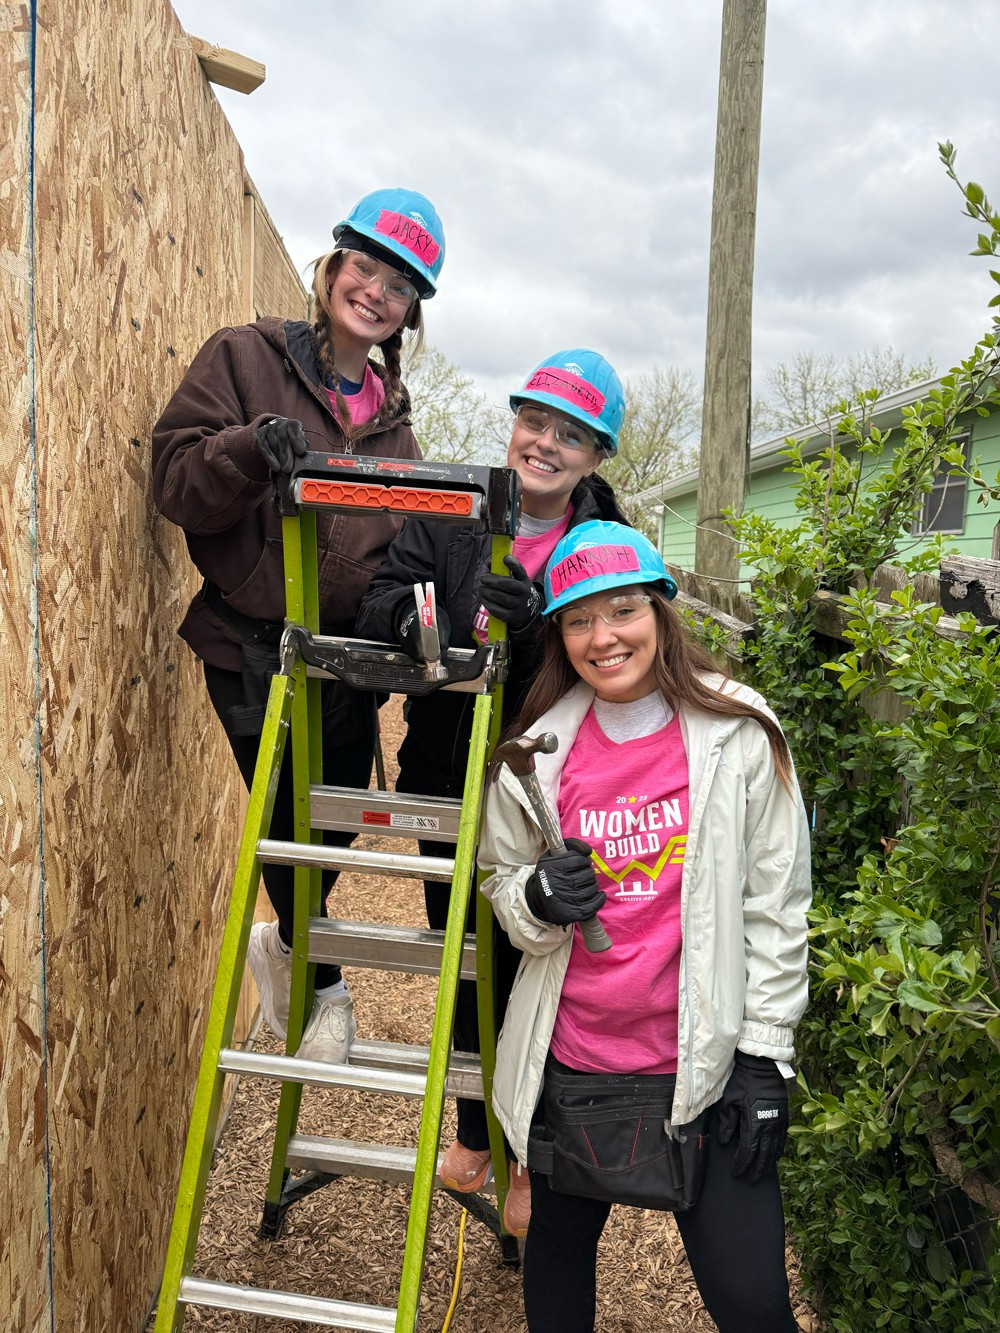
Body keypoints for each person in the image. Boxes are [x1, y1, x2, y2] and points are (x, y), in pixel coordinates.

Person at [478, 520, 811, 1332]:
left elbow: (776, 902)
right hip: (577, 1064)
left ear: (661, 610)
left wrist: (764, 1056)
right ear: (559, 634)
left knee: (755, 1305)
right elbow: (501, 881)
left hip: (705, 1066)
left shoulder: (740, 732)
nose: (603, 637)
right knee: (558, 1268)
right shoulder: (538, 752)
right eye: (578, 619)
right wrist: (537, 899)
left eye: (623, 609)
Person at [152, 187, 445, 1063]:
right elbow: (174, 481)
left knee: (336, 821)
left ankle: (282, 941)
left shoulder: (395, 430)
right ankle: (323, 984)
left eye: (400, 286)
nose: (377, 292)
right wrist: (246, 449)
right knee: (285, 822)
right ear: (334, 265)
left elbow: (405, 547)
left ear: (409, 313)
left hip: (342, 661)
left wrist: (413, 612)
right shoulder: (246, 357)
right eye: (366, 267)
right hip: (248, 642)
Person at [356, 350, 629, 1233]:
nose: (544, 443)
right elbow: (379, 601)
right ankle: (478, 1131)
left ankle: (530, 1154)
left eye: (571, 435)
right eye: (535, 421)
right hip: (451, 774)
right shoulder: (454, 513)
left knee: (541, 970)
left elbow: (624, 656)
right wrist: (428, 621)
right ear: (515, 423)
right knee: (467, 956)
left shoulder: (607, 543)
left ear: (595, 456)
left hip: (553, 789)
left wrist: (544, 622)